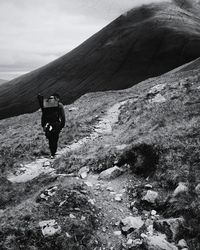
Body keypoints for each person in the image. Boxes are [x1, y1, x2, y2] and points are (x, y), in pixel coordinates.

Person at [38, 93, 65, 158]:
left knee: (50, 139)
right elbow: (62, 117)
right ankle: (54, 152)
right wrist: (62, 125)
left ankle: (52, 152)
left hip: (48, 125)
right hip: (56, 124)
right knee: (55, 138)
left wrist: (43, 125)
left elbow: (43, 116)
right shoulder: (59, 105)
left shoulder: (46, 106)